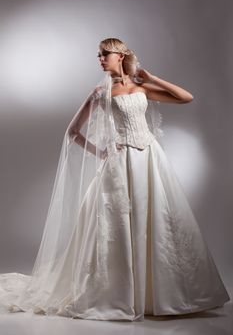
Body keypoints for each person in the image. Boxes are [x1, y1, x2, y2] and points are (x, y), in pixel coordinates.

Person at [0, 37, 230, 322]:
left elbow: (186, 97)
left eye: (105, 54)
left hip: (148, 159)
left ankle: (159, 296)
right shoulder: (100, 92)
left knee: (156, 222)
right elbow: (73, 131)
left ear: (120, 56)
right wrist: (102, 152)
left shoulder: (141, 86)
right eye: (98, 55)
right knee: (117, 226)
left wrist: (152, 77)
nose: (100, 60)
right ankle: (119, 294)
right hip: (119, 165)